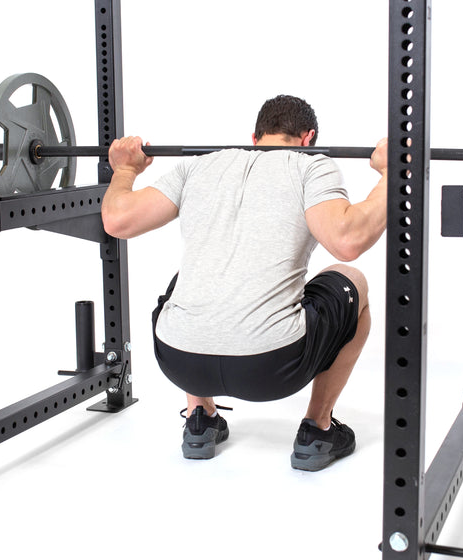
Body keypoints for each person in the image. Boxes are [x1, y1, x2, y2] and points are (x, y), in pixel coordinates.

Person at [101, 95, 387, 471]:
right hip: (272, 369)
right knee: (354, 282)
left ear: (255, 137)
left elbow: (118, 221)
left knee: (188, 280)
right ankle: (318, 429)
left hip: (179, 360)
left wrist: (124, 170)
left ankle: (199, 419)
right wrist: (395, 172)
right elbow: (347, 240)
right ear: (308, 138)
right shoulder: (311, 166)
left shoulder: (200, 165)